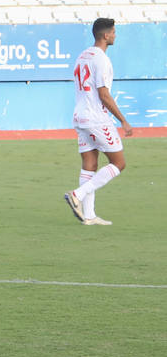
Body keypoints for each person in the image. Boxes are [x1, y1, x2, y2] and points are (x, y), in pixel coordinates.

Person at [64, 17, 133, 225]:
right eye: (113, 32)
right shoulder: (102, 60)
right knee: (119, 163)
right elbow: (103, 94)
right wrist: (123, 120)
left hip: (80, 116)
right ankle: (77, 194)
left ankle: (89, 215)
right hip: (96, 118)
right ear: (106, 35)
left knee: (90, 164)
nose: (115, 35)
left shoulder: (83, 55)